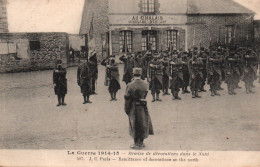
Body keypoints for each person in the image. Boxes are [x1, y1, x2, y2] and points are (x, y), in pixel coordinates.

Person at [124, 68, 154, 149]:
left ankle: (135, 143)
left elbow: (127, 98)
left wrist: (127, 110)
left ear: (133, 74)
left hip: (133, 106)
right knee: (143, 123)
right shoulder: (146, 84)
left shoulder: (129, 85)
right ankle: (141, 142)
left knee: (134, 124)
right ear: (141, 74)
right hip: (143, 106)